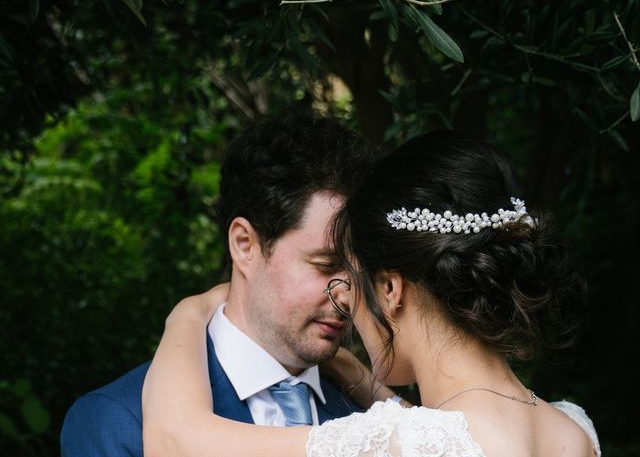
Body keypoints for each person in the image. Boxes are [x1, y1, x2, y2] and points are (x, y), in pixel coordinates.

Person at [141, 131, 601, 457]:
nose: (345, 309)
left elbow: (173, 441)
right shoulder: (572, 430)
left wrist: (188, 312)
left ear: (389, 288)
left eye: (352, 283)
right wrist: (351, 369)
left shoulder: (401, 443)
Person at [60, 112, 375, 456]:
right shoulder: (117, 419)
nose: (347, 294)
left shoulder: (369, 419)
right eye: (326, 265)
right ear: (245, 245)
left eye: (359, 271)